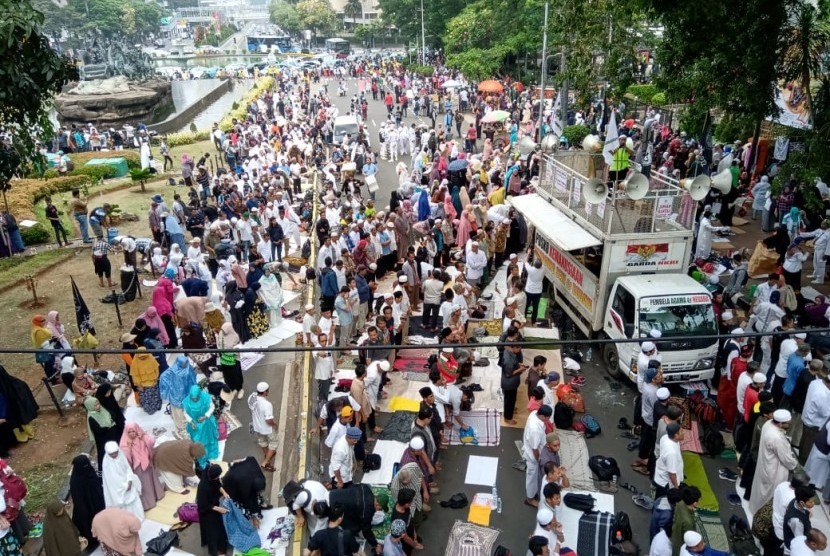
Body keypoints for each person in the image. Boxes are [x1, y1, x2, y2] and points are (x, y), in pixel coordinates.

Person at [750, 409, 799, 513]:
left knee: (761, 489)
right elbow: (786, 459)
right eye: (788, 423)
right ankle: (762, 514)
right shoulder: (776, 438)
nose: (789, 425)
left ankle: (756, 509)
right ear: (781, 424)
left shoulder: (768, 423)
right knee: (769, 494)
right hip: (773, 470)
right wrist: (795, 466)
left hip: (766, 463)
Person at [119, 423, 164, 511]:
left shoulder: (142, 437)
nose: (132, 433)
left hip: (147, 463)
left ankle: (157, 495)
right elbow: (123, 455)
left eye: (133, 431)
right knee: (144, 485)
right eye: (129, 432)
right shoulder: (125, 442)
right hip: (137, 466)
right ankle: (148, 503)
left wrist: (143, 437)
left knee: (151, 480)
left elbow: (151, 442)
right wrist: (129, 446)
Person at [68, 454, 105, 547]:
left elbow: (97, 485)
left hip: (96, 503)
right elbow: (77, 498)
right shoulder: (75, 481)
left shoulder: (90, 471)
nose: (86, 468)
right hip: (85, 508)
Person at [101, 441, 144, 520]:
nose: (114, 455)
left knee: (133, 502)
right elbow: (110, 481)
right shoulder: (106, 463)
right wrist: (123, 487)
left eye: (115, 453)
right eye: (112, 454)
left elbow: (128, 469)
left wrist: (129, 480)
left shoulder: (121, 456)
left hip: (128, 484)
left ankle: (138, 518)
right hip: (117, 490)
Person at [159, 355, 197, 440]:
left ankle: (186, 427)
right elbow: (163, 377)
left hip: (187, 394)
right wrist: (166, 392)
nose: (185, 365)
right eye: (183, 363)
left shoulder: (188, 367)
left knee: (186, 412)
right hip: (176, 396)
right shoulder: (171, 371)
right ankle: (181, 429)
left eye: (186, 363)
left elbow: (193, 378)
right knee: (178, 414)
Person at [522, 405, 553, 507]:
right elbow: (534, 448)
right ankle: (530, 499)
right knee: (531, 477)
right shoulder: (535, 429)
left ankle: (534, 492)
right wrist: (539, 459)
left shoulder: (534, 413)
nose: (548, 419)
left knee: (535, 476)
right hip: (532, 456)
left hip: (535, 447)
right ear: (543, 416)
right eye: (548, 418)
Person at [222, 456, 269, 522]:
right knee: (246, 504)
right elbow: (247, 500)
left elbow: (244, 459)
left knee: (253, 499)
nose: (258, 493)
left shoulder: (251, 461)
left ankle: (258, 508)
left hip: (239, 478)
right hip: (233, 487)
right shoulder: (244, 485)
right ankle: (250, 517)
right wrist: (254, 517)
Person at [197, 464, 229, 556]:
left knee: (220, 526)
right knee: (212, 531)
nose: (218, 478)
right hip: (206, 510)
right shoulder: (203, 487)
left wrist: (224, 492)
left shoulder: (209, 472)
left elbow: (217, 484)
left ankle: (221, 545)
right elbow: (203, 506)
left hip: (213, 502)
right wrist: (219, 509)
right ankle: (215, 552)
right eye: (217, 477)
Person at [183, 384, 219, 466]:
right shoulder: (186, 401)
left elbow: (212, 408)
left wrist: (205, 416)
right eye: (193, 399)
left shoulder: (206, 398)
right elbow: (185, 413)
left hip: (207, 422)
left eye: (196, 398)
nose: (195, 400)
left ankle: (211, 454)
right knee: (199, 442)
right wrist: (191, 421)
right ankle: (202, 460)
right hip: (195, 425)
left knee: (210, 439)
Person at [84, 397, 121, 471]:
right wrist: (108, 425)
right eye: (96, 405)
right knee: (106, 453)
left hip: (112, 435)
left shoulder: (102, 409)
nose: (98, 406)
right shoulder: (91, 417)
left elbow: (112, 414)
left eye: (98, 403)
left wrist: (110, 421)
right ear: (90, 406)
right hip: (103, 439)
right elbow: (98, 430)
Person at [248, 382, 277, 472]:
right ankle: (265, 462)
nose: (268, 392)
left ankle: (267, 454)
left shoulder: (251, 397)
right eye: (267, 391)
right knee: (274, 443)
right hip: (266, 428)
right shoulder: (267, 405)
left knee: (262, 441)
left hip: (256, 426)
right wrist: (274, 425)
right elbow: (268, 420)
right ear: (264, 392)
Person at [129, 347, 162, 415]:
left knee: (155, 396)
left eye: (144, 356)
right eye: (141, 356)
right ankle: (149, 410)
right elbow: (135, 375)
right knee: (147, 399)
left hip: (153, 383)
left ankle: (157, 407)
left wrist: (155, 378)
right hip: (143, 386)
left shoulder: (151, 359)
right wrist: (139, 385)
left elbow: (156, 369)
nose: (143, 357)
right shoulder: (135, 362)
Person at [671, 486, 701, 556]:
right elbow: (690, 539)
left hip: (675, 533)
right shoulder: (688, 522)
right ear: (694, 503)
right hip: (681, 544)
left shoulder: (681, 503)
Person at [501, 343, 526, 425]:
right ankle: (507, 418)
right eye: (519, 348)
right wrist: (520, 369)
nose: (520, 350)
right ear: (514, 347)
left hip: (511, 383)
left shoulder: (509, 352)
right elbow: (509, 373)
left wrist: (519, 365)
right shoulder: (508, 359)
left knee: (511, 399)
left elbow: (513, 364)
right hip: (509, 384)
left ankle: (511, 410)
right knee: (509, 401)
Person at [217, 322, 244, 399]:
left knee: (236, 375)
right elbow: (219, 345)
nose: (223, 332)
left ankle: (240, 389)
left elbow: (238, 348)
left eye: (225, 330)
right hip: (225, 360)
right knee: (228, 376)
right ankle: (233, 388)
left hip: (234, 359)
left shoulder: (235, 336)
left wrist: (231, 351)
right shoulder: (221, 333)